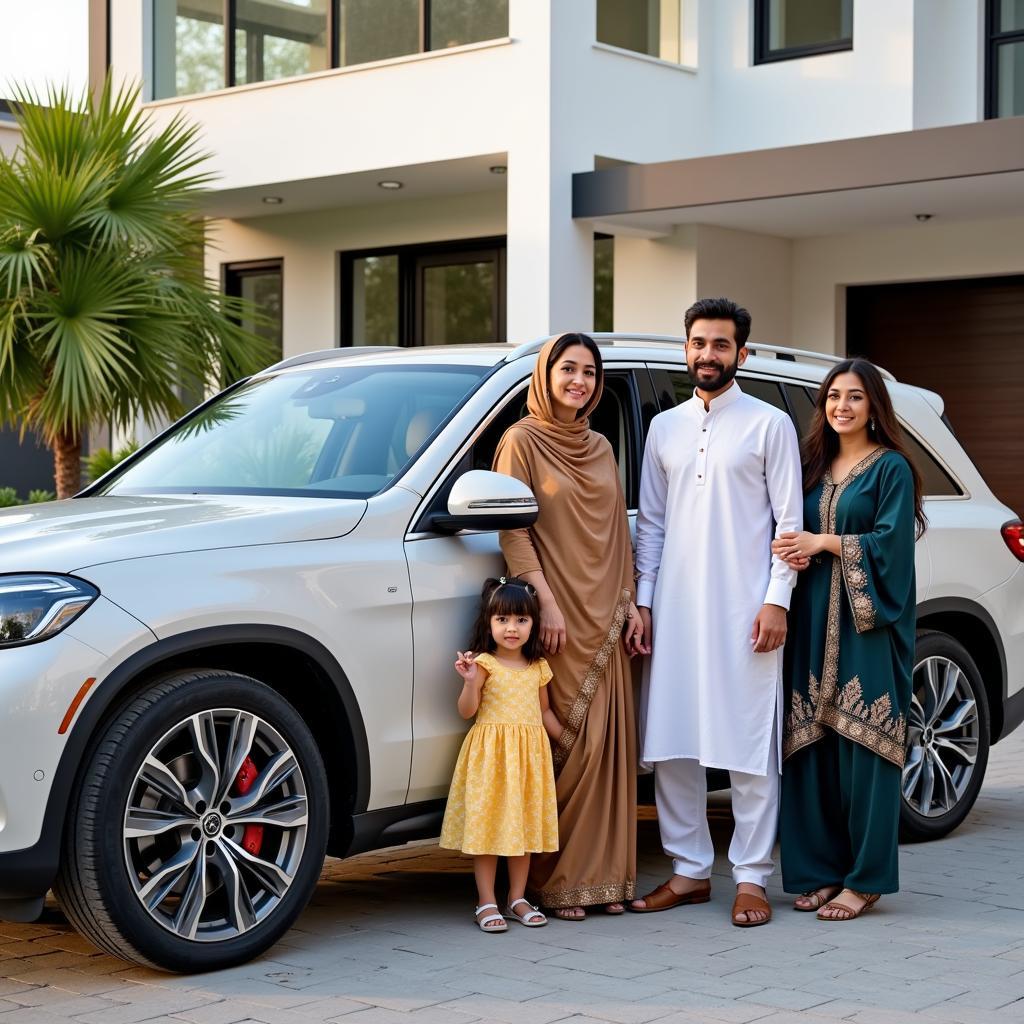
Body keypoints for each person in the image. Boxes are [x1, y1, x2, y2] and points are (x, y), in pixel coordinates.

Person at [631, 297, 803, 927]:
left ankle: (753, 877)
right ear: (686, 349)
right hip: (674, 610)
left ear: (742, 354)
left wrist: (775, 600)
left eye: (721, 345)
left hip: (745, 611)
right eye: (698, 343)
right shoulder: (665, 428)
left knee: (747, 742)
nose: (708, 354)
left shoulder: (768, 425)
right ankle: (689, 872)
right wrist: (644, 603)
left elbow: (790, 525)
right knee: (673, 741)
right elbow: (650, 523)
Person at [493, 333, 644, 920]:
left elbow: (618, 529)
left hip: (606, 612)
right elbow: (512, 529)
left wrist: (630, 600)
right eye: (567, 369)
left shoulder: (602, 445)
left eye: (588, 372)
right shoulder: (521, 441)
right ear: (546, 374)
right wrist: (545, 602)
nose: (578, 381)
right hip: (556, 613)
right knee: (565, 745)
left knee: (607, 750)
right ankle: (553, 883)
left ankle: (602, 882)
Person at [772, 358, 924, 921]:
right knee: (812, 750)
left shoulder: (892, 469)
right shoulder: (811, 464)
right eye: (833, 396)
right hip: (812, 620)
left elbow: (891, 548)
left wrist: (823, 542)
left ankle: (865, 881)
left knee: (868, 751)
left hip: (867, 626)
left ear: (874, 406)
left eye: (854, 397)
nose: (842, 406)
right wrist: (793, 548)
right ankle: (818, 873)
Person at [439, 576, 562, 933]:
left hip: (527, 762)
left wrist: (570, 741)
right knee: (490, 830)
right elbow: (467, 711)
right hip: (493, 761)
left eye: (521, 620)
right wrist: (470, 681)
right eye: (503, 620)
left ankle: (518, 897)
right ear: (488, 623)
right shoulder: (485, 664)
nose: (512, 628)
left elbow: (545, 713)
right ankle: (486, 899)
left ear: (533, 624)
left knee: (522, 831)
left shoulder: (538, 666)